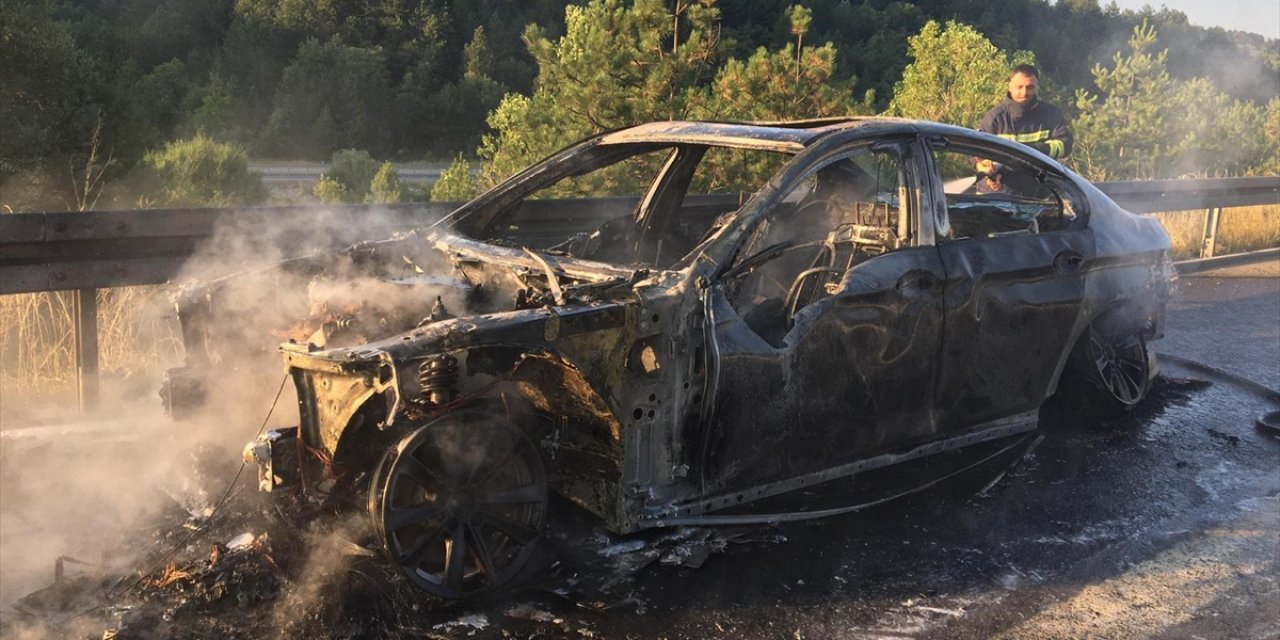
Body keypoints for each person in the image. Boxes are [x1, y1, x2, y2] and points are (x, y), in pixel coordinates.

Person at [980, 64, 1073, 161]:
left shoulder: (1051, 114)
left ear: (1037, 87)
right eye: (1019, 87)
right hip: (1005, 175)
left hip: (1040, 175)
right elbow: (978, 151)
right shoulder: (995, 118)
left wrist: (1038, 150)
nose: (1024, 92)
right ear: (1010, 87)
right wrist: (983, 167)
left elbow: (1065, 145)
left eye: (1030, 87)